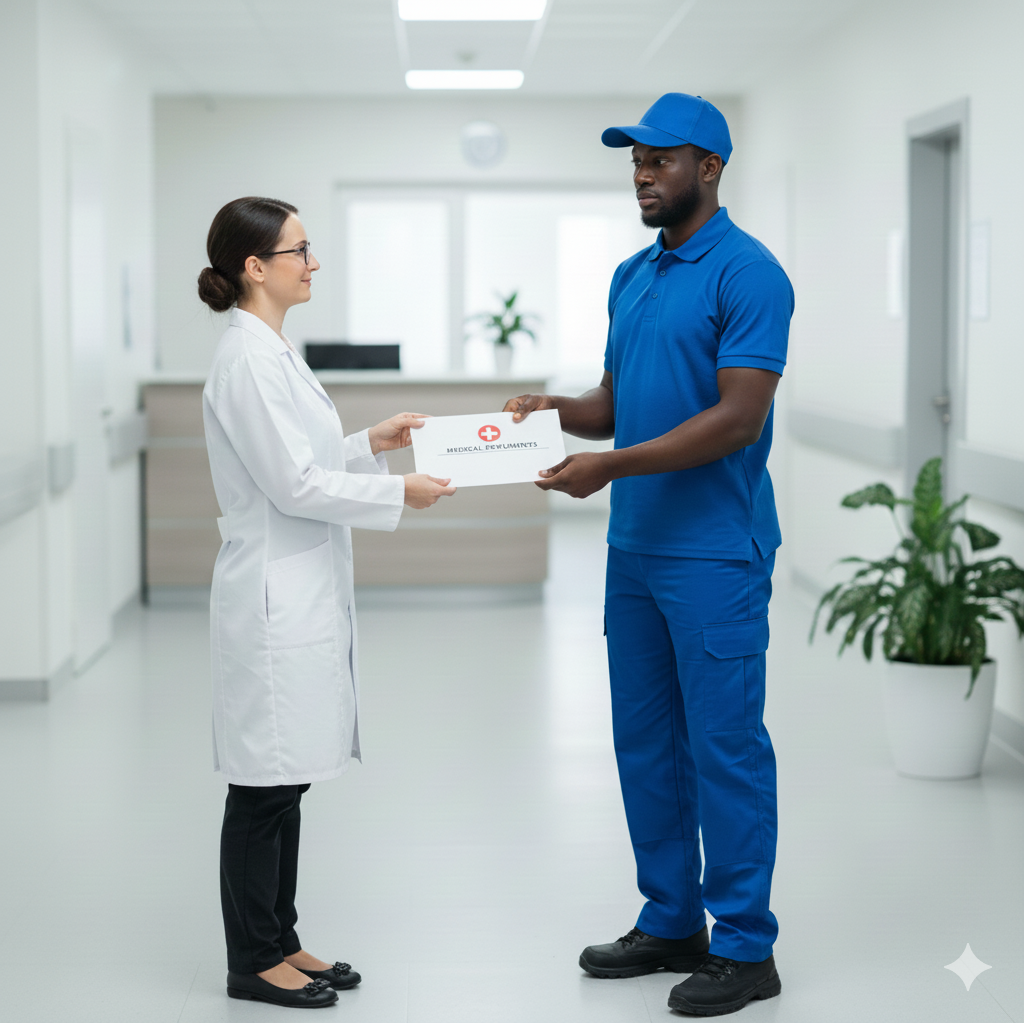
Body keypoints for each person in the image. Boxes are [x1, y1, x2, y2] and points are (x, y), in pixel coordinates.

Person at [503, 94, 793, 1017]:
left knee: (725, 749)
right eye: (634, 161)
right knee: (645, 745)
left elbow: (737, 416)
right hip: (635, 549)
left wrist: (609, 467)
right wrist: (545, 410)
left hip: (713, 553)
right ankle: (672, 920)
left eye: (660, 161)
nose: (642, 175)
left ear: (708, 168)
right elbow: (616, 400)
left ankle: (746, 948)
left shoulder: (750, 274)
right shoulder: (635, 274)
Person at [197, 196, 456, 1009]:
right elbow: (292, 484)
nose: (313, 264)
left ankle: (283, 938)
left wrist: (369, 445)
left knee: (290, 780)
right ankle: (252, 961)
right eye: (301, 250)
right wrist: (398, 494)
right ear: (255, 267)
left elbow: (301, 460)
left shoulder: (270, 349)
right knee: (263, 786)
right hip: (273, 597)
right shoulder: (243, 359)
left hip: (298, 589)